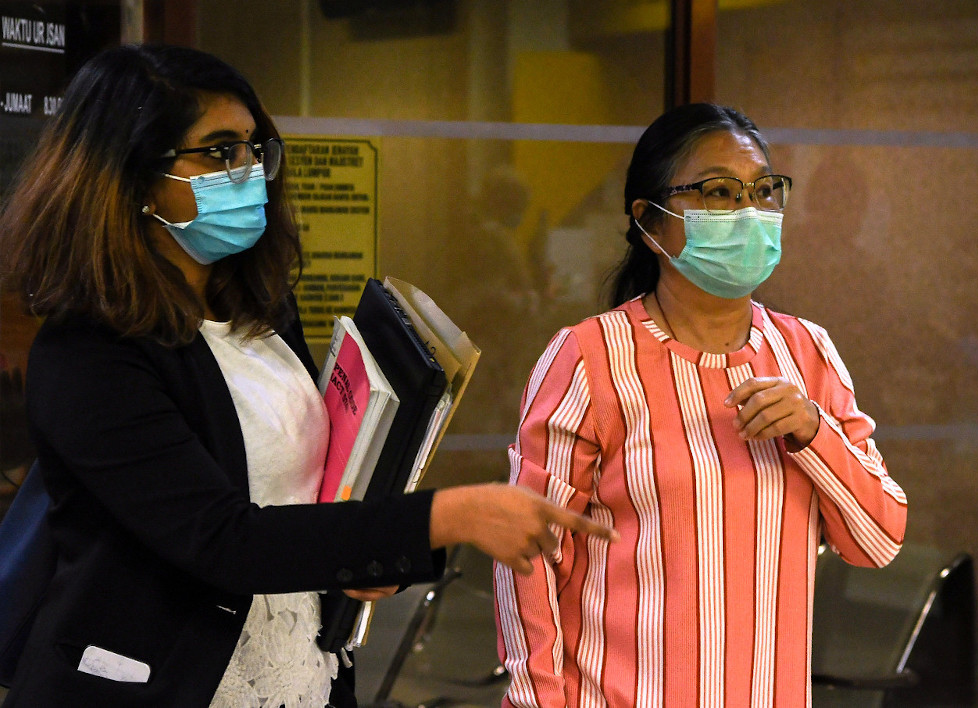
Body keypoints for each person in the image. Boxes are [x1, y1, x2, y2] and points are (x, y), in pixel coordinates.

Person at [0, 44, 616, 708]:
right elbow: (223, 538)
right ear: (130, 173)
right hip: (160, 683)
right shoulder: (89, 351)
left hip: (299, 670)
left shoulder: (257, 309)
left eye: (253, 148)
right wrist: (448, 514)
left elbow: (300, 493)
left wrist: (359, 558)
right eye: (218, 152)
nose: (247, 172)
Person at [493, 103, 907, 707]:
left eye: (764, 191)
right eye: (718, 192)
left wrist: (813, 433)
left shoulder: (806, 351)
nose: (749, 212)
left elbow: (878, 539)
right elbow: (529, 558)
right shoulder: (591, 358)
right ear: (650, 222)